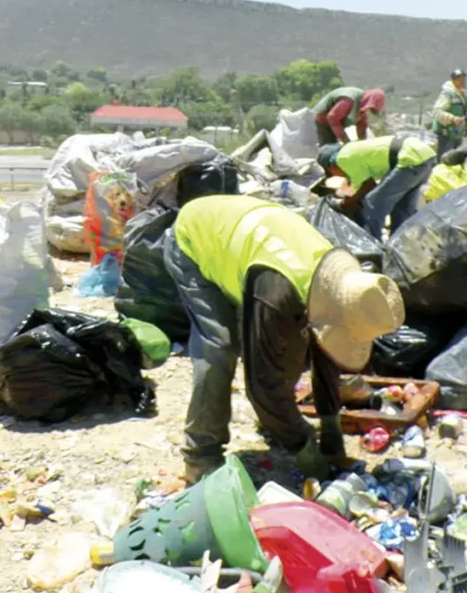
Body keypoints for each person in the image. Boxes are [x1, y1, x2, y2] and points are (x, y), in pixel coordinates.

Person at [164, 195, 405, 483]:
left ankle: (278, 422)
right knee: (220, 347)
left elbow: (325, 348)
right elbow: (260, 384)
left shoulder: (338, 282)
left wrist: (330, 424)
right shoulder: (277, 292)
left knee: (289, 345)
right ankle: (201, 455)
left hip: (248, 236)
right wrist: (303, 445)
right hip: (196, 236)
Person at [317, 135, 437, 238]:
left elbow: (368, 186)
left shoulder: (342, 159)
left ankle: (371, 247)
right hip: (424, 155)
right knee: (402, 208)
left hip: (410, 158)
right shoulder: (349, 151)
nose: (336, 176)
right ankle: (398, 247)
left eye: (331, 174)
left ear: (331, 166)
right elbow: (367, 184)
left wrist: (345, 203)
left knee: (372, 203)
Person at [313, 87, 386, 145]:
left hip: (337, 122)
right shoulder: (349, 100)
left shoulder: (363, 109)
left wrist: (362, 143)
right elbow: (332, 117)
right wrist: (345, 140)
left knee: (337, 147)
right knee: (329, 147)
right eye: (372, 109)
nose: (371, 112)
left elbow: (361, 125)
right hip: (324, 120)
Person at [431, 69, 467, 156]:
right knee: (445, 160)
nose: (463, 82)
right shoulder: (448, 94)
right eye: (460, 80)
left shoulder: (461, 95)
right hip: (445, 136)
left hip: (456, 135)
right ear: (453, 80)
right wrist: (452, 118)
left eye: (463, 79)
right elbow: (436, 112)